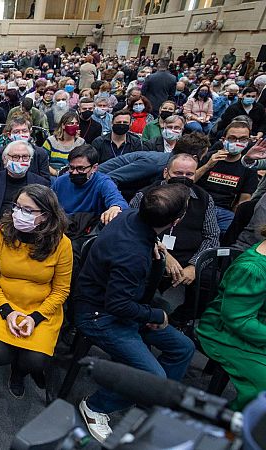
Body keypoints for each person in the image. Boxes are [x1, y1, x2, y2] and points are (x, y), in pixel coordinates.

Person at [74, 184, 196, 443]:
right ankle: (96, 406)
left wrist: (154, 245)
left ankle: (152, 400)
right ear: (176, 221)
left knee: (183, 348)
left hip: (126, 304)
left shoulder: (132, 215)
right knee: (154, 376)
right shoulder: (133, 255)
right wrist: (153, 316)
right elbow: (118, 306)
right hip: (100, 315)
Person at [0, 184, 72, 398]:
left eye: (28, 211)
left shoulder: (62, 244)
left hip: (41, 309)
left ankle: (19, 372)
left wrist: (35, 318)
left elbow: (61, 290)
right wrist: (7, 312)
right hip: (1, 303)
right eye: (17, 207)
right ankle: (14, 360)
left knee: (35, 361)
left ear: (46, 216)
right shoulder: (2, 232)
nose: (18, 214)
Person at [130, 153, 219, 321]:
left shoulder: (204, 199)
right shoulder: (145, 196)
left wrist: (194, 265)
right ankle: (143, 315)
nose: (183, 178)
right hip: (151, 252)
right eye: (178, 173)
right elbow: (133, 229)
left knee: (211, 279)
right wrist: (165, 257)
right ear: (166, 173)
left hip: (188, 258)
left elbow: (212, 236)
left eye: (189, 174)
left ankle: (181, 320)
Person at [197, 228, 266, 411]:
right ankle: (236, 426)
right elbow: (239, 320)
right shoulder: (252, 269)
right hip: (224, 331)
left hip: (255, 326)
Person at [0, 140, 50, 262]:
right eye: (15, 157)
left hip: (29, 236)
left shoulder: (40, 183)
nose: (20, 161)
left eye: (25, 157)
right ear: (5, 159)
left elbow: (46, 214)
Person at [196, 121, 258, 234]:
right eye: (232, 138)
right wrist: (207, 166)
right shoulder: (210, 156)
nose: (237, 142)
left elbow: (244, 200)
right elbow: (190, 181)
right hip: (200, 205)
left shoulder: (248, 166)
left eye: (243, 139)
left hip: (224, 211)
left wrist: (234, 218)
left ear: (248, 141)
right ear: (224, 139)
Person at [52, 145, 127, 224]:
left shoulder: (103, 182)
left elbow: (118, 200)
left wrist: (115, 207)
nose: (74, 172)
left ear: (94, 168)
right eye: (71, 167)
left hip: (88, 230)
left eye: (80, 168)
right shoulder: (61, 181)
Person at [43, 112, 85, 177]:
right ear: (63, 125)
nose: (74, 125)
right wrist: (56, 173)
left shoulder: (81, 142)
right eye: (71, 123)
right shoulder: (51, 141)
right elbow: (43, 162)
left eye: (76, 123)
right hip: (53, 175)